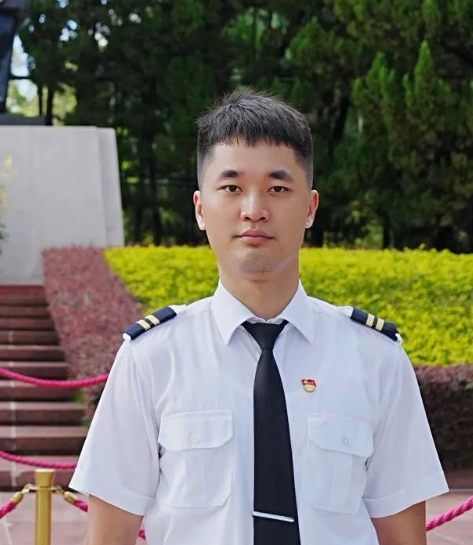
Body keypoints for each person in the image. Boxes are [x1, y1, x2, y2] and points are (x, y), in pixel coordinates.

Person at [68, 88, 449, 545]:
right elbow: (109, 537)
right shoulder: (152, 359)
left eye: (278, 188)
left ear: (309, 208)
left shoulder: (375, 359)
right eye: (231, 188)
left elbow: (404, 537)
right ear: (200, 209)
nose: (254, 210)